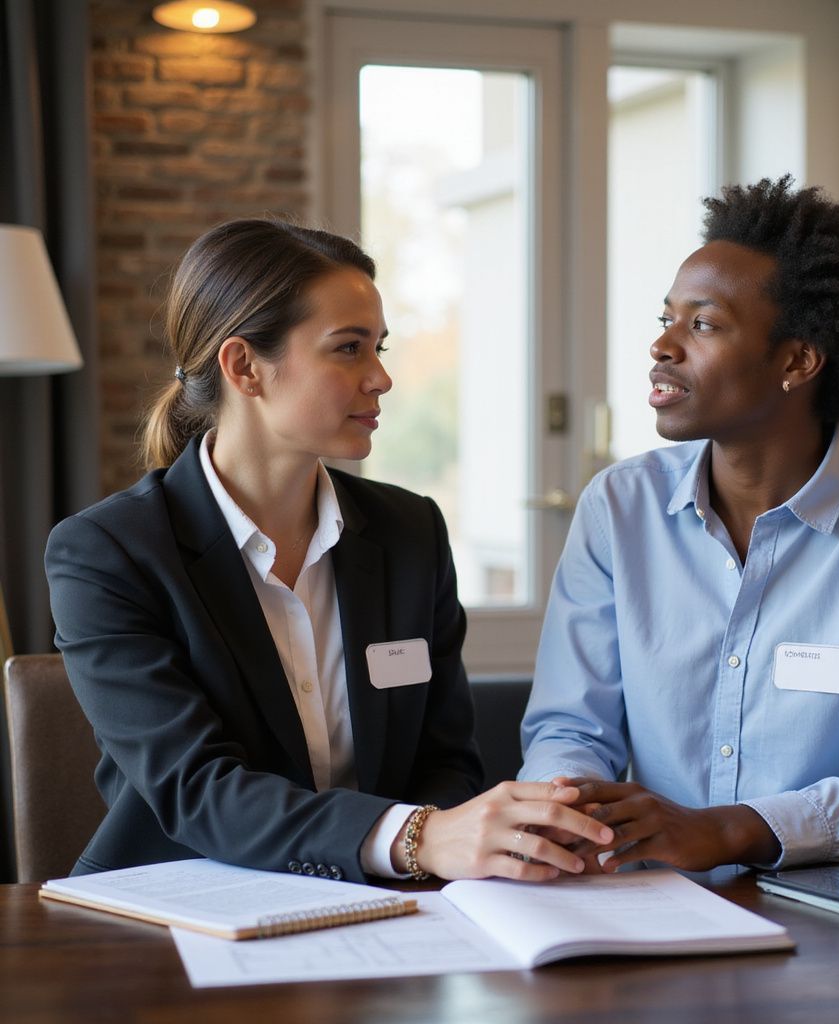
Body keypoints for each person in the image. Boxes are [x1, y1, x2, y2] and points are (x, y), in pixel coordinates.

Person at [46, 219, 612, 885]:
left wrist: (447, 848)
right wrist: (418, 838)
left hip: (394, 906)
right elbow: (197, 787)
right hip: (180, 908)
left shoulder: (410, 531)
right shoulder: (107, 552)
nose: (381, 378)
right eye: (348, 349)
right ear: (243, 367)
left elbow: (446, 759)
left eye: (379, 347)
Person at [519, 176, 839, 872]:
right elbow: (570, 725)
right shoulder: (619, 507)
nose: (663, 346)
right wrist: (566, 800)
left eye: (702, 324)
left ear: (797, 361)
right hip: (655, 900)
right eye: (667, 318)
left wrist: (733, 830)